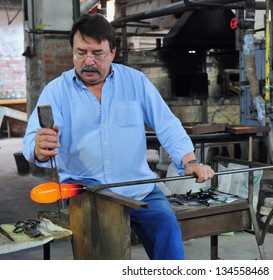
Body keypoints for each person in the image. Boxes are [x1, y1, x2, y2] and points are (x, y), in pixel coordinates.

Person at [23, 13, 215, 260]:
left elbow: (166, 124)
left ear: (112, 53)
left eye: (97, 53)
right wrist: (38, 147)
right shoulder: (56, 91)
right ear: (72, 51)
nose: (88, 61)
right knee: (100, 255)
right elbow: (32, 140)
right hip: (86, 191)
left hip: (138, 187)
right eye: (81, 53)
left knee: (168, 235)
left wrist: (189, 161)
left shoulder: (135, 82)